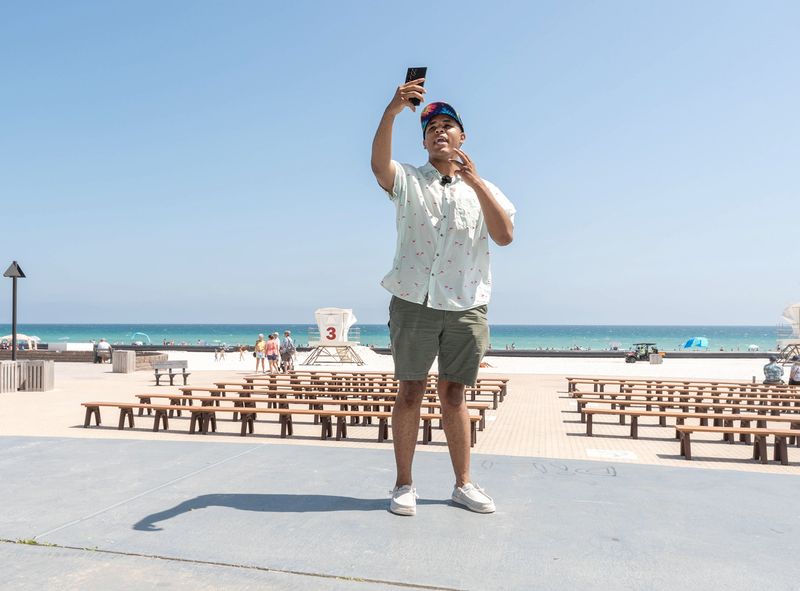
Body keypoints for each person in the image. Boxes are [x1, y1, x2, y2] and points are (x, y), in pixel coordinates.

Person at [371, 79, 515, 516]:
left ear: (462, 136)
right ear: (425, 138)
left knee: (455, 395)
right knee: (409, 391)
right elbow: (378, 166)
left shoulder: (485, 187)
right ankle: (403, 484)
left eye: (448, 125)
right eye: (432, 126)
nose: (440, 131)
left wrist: (474, 182)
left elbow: (505, 236)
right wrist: (392, 111)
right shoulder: (410, 180)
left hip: (466, 302)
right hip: (413, 298)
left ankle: (463, 483)